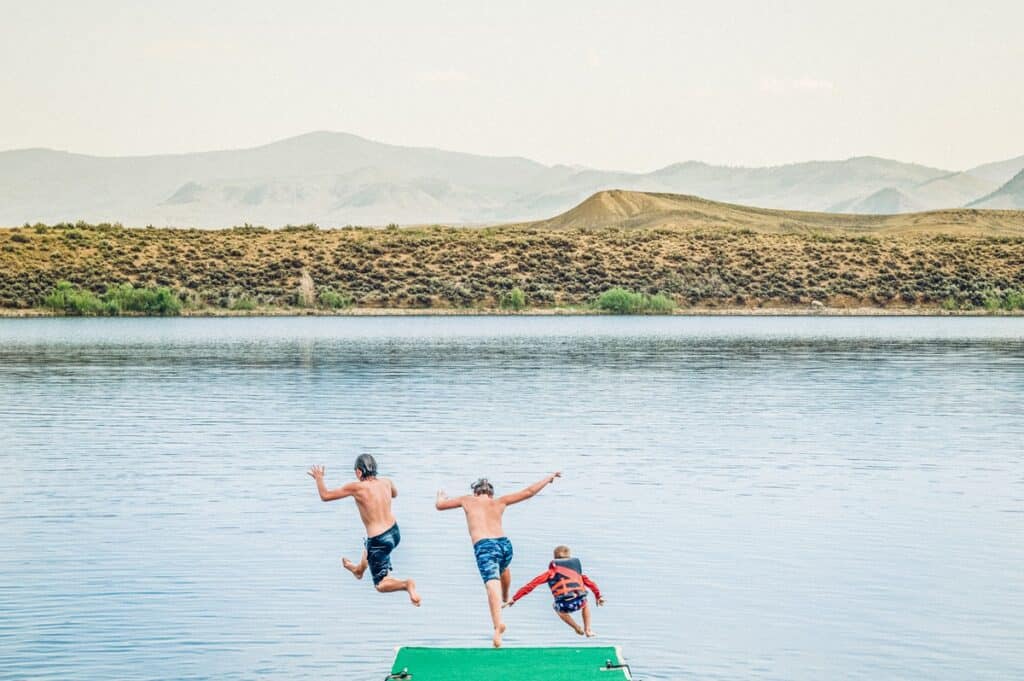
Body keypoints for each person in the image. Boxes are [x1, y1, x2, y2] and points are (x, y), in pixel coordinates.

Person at [435, 471, 561, 648]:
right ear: (491, 494)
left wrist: (441, 496)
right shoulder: (499, 501)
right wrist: (548, 478)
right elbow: (529, 492)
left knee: (491, 585)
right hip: (505, 545)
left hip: (485, 546)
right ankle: (506, 597)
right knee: (503, 567)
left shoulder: (467, 500)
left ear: (475, 492)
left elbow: (440, 506)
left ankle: (497, 626)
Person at [307, 454, 420, 606]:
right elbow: (395, 494)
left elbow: (325, 496)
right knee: (370, 547)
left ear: (359, 472)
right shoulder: (386, 482)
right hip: (394, 532)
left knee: (380, 584)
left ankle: (407, 584)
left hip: (379, 539)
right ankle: (359, 570)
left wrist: (319, 478)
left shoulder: (356, 487)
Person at [505, 545, 604, 637]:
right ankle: (587, 629)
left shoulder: (550, 573)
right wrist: (598, 596)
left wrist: (514, 598)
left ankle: (576, 627)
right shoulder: (577, 573)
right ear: (569, 558)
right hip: (579, 602)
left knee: (556, 608)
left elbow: (531, 585)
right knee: (585, 603)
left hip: (564, 605)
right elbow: (592, 584)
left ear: (554, 558)